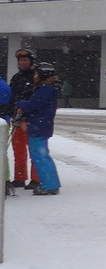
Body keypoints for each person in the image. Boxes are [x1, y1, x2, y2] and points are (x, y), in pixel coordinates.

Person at [15, 62, 62, 195]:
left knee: (40, 157)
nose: (34, 76)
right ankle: (50, 183)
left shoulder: (44, 90)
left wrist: (20, 103)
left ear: (42, 75)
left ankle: (49, 185)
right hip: (42, 126)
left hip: (38, 127)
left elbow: (32, 105)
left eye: (36, 74)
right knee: (42, 156)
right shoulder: (49, 89)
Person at [4, 48, 40, 192]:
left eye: (25, 60)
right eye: (20, 60)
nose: (22, 62)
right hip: (18, 119)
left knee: (34, 150)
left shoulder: (37, 77)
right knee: (18, 150)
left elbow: (38, 99)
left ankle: (36, 179)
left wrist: (26, 108)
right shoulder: (16, 78)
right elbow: (12, 97)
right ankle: (20, 178)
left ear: (31, 61)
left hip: (33, 120)